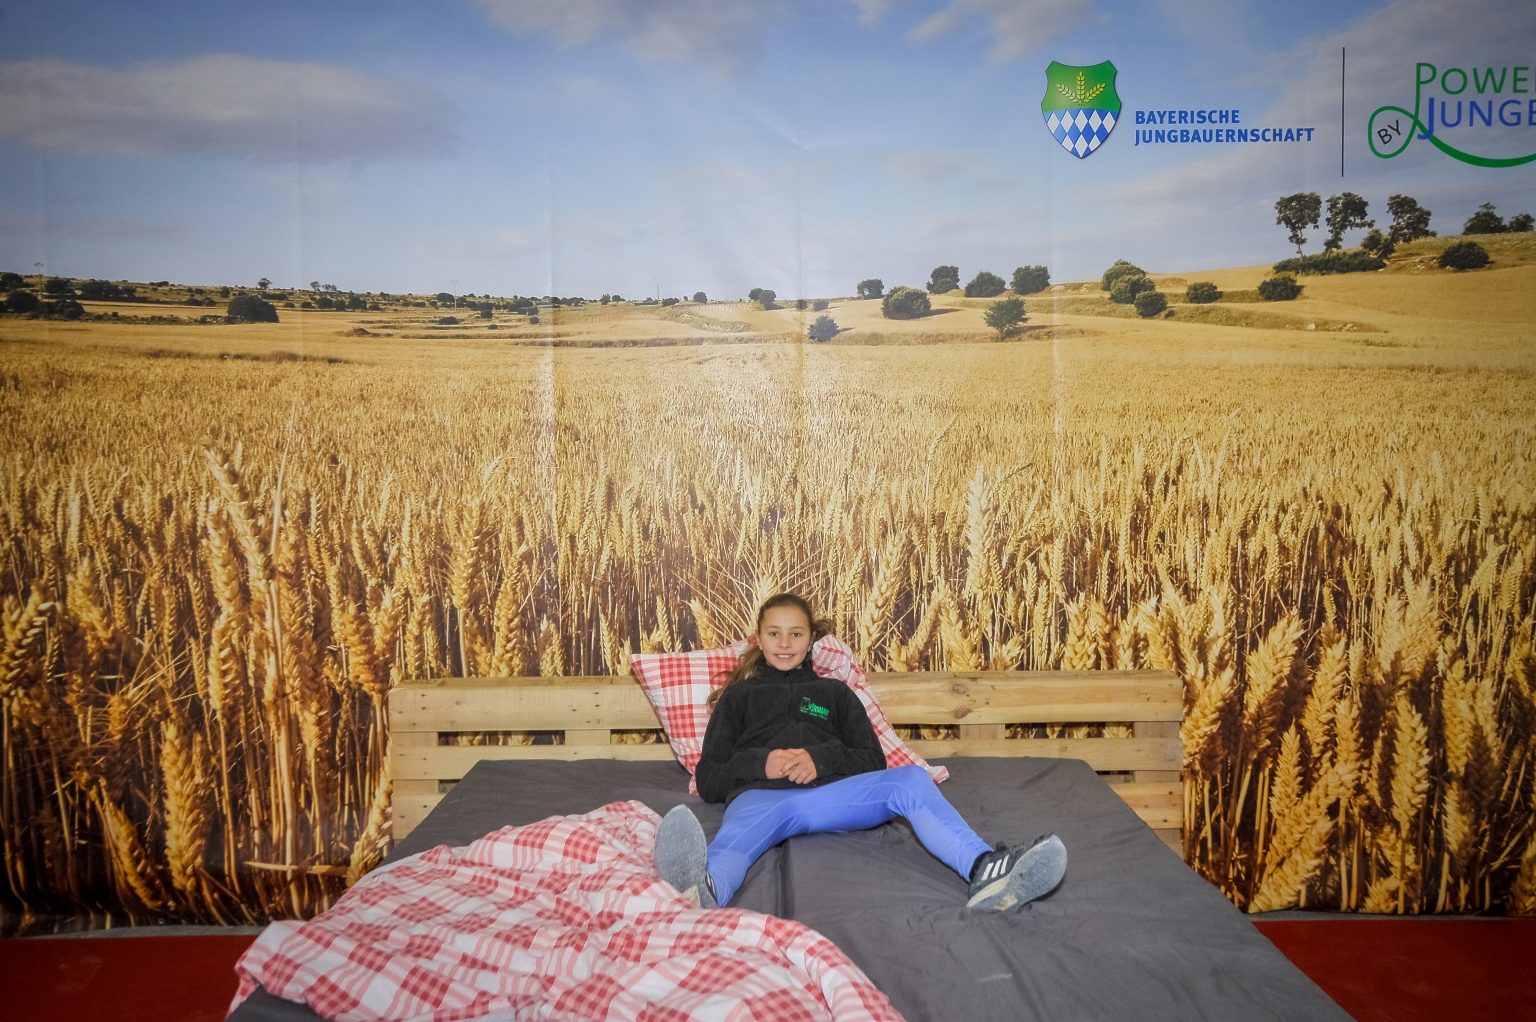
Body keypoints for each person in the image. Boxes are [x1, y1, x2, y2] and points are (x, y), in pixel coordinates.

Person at [654, 592, 1067, 912]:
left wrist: (821, 760)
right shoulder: (738, 698)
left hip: (832, 798)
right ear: (758, 639)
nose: (784, 643)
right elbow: (709, 779)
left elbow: (871, 760)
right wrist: (763, 762)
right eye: (774, 633)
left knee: (909, 780)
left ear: (811, 640)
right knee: (732, 845)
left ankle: (986, 870)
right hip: (760, 800)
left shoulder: (835, 694)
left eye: (796, 634)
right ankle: (703, 891)